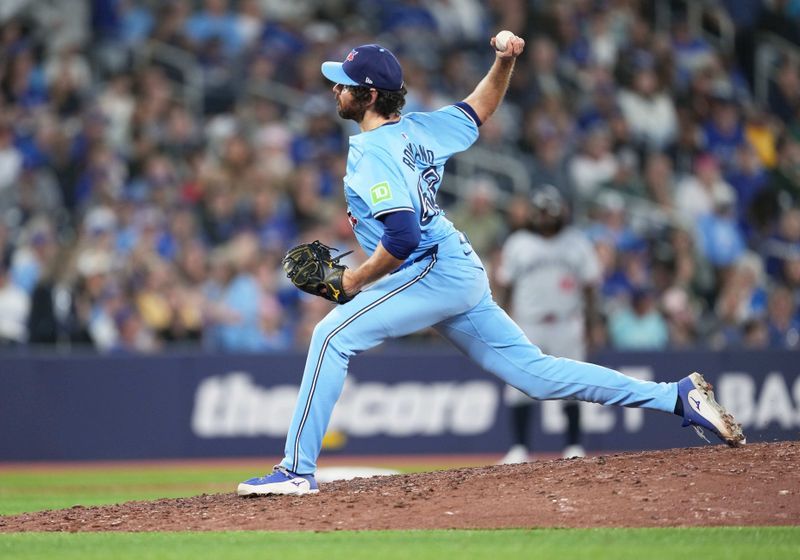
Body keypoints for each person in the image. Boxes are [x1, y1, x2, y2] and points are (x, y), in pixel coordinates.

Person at [238, 36, 745, 497]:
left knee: (331, 336)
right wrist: (504, 61)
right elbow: (481, 106)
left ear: (369, 97)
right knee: (538, 376)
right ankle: (677, 398)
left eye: (346, 85)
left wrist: (351, 281)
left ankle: (295, 471)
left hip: (429, 267)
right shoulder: (421, 130)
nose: (336, 90)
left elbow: (403, 235)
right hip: (455, 267)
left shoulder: (373, 153)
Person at [496, 184, 601, 462]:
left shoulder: (577, 241)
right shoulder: (518, 242)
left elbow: (590, 287)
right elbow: (505, 285)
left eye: (548, 211)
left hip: (567, 322)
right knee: (520, 384)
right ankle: (519, 447)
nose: (544, 217)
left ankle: (574, 446)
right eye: (540, 211)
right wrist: (502, 322)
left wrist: (593, 324)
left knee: (574, 383)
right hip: (527, 323)